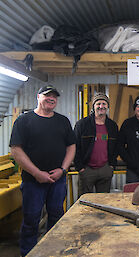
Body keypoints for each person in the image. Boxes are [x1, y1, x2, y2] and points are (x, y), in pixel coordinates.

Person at [9, 85, 76, 257]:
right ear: (38, 97)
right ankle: (28, 253)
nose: (51, 98)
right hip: (33, 182)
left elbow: (71, 146)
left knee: (56, 216)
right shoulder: (24, 121)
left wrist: (62, 169)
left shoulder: (63, 121)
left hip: (57, 180)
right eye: (47, 95)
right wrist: (36, 173)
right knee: (31, 219)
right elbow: (16, 150)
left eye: (54, 96)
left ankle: (53, 251)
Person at [74, 92, 118, 194]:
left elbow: (116, 147)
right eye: (98, 104)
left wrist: (111, 165)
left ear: (107, 106)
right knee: (85, 202)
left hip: (105, 169)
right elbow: (75, 146)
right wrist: (80, 168)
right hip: (87, 170)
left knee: (103, 202)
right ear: (93, 106)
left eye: (104, 104)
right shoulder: (82, 124)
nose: (101, 106)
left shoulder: (112, 126)